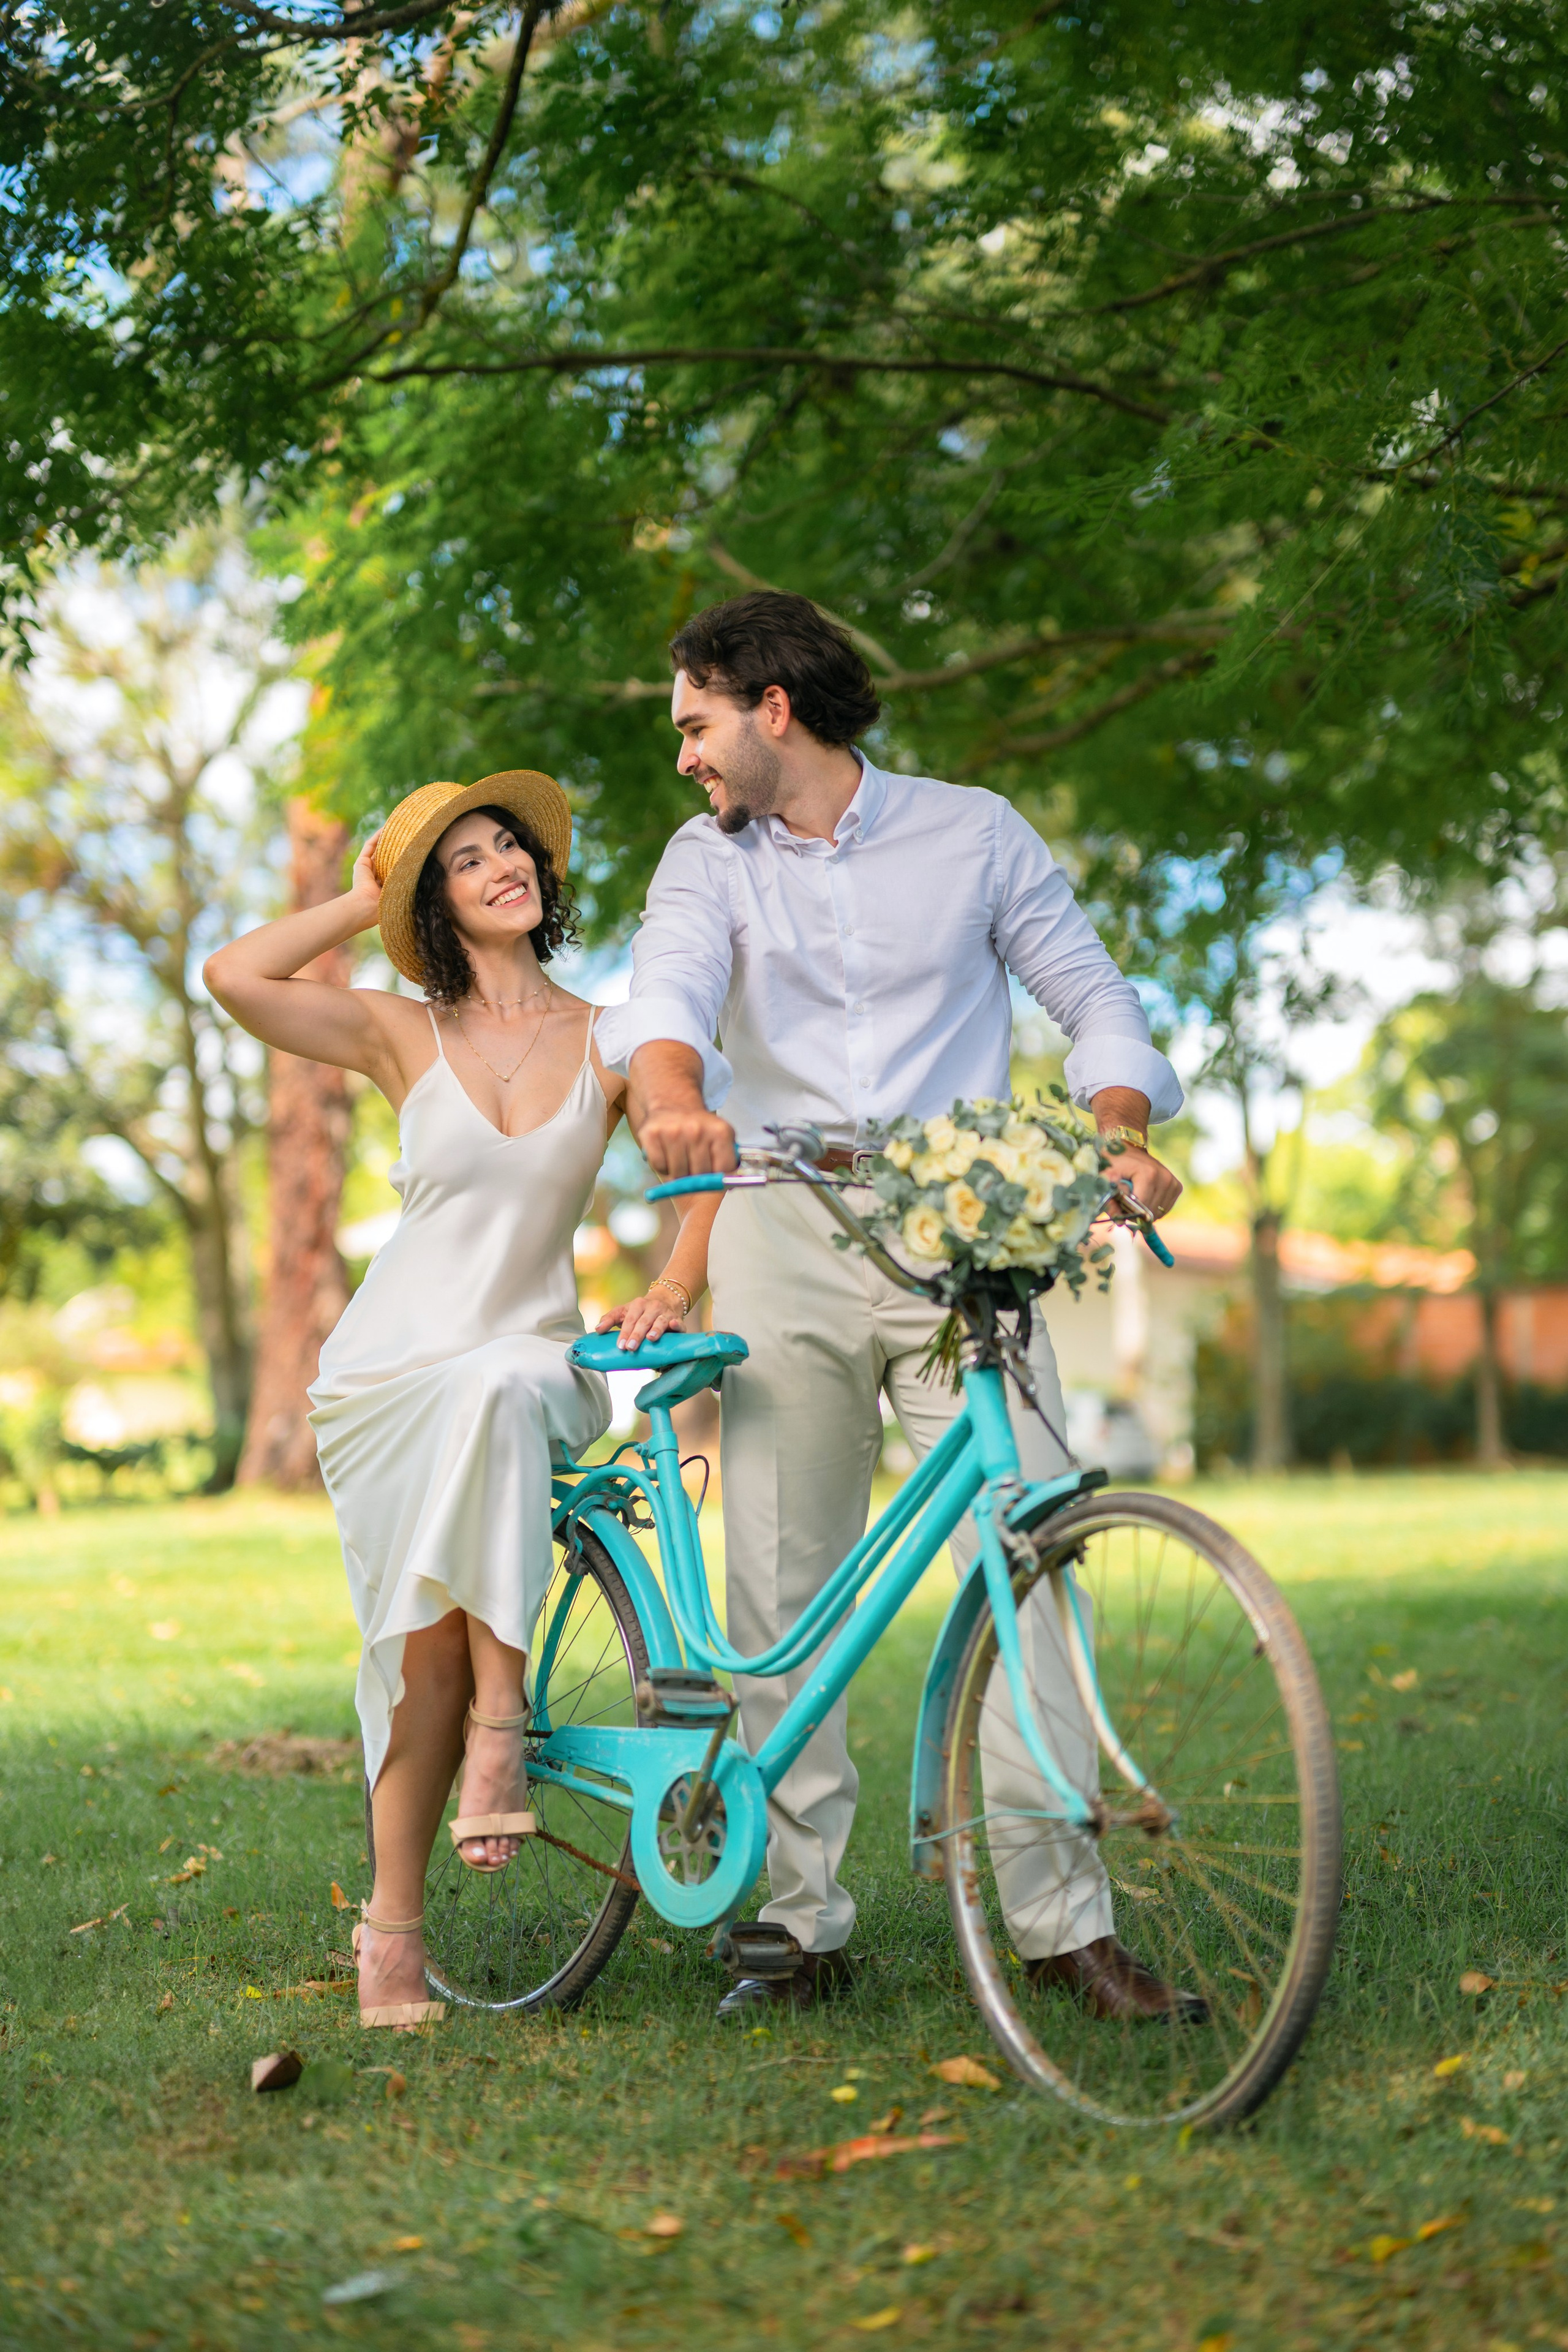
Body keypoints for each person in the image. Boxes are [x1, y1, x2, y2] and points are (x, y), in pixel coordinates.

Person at [597, 593, 1189, 2022]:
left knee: (1029, 1542)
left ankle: (1061, 1922)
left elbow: (1088, 994)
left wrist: (1114, 1122)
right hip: (780, 1228)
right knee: (784, 1579)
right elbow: (661, 999)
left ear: (769, 706)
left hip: (957, 1221)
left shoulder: (973, 831)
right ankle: (798, 1920)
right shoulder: (703, 861)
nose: (683, 755)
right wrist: (671, 1100)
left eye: (692, 723)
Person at [203, 772, 706, 2030]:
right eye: (466, 860)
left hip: (534, 1359)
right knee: (415, 1650)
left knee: (500, 1387)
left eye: (512, 848)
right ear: (436, 903)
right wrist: (362, 899)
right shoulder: (399, 1029)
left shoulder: (611, 1029)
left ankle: (504, 1718)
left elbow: (696, 1146)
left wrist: (677, 1277)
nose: (502, 867)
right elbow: (236, 976)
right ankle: (392, 1933)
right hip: (389, 1375)